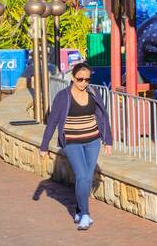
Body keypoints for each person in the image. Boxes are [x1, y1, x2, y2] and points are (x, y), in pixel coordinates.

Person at [39, 62, 112, 230]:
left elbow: (103, 116)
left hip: (93, 140)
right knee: (82, 176)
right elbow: (52, 122)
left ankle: (79, 209)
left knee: (87, 176)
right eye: (80, 79)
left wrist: (108, 140)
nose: (84, 83)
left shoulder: (93, 93)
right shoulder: (63, 97)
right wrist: (44, 146)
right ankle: (85, 214)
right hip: (72, 141)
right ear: (73, 78)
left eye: (87, 79)